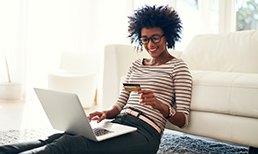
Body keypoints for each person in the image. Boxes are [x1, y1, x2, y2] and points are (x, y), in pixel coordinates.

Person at [0, 5, 192, 154]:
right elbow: (120, 104)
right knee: (57, 138)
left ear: (168, 35)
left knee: (68, 145)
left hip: (145, 134)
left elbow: (183, 120)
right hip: (118, 124)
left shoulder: (178, 67)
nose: (150, 44)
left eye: (156, 38)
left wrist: (160, 106)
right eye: (144, 39)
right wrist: (105, 113)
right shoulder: (136, 65)